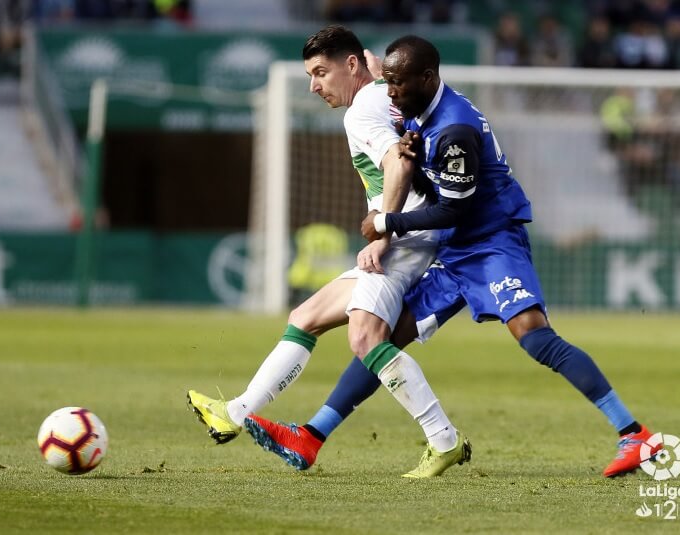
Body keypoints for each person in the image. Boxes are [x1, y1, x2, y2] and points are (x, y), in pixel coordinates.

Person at [249, 36, 660, 479]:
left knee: (535, 337)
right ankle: (311, 436)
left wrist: (386, 224)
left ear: (427, 79)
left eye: (398, 85)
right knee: (382, 340)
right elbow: (393, 94)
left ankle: (635, 433)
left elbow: (454, 209)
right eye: (387, 83)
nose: (391, 95)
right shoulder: (416, 103)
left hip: (489, 242)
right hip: (452, 247)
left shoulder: (455, 132)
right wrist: (375, 72)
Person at [187, 25, 471, 479]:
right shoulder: (384, 91)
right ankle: (237, 412)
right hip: (421, 233)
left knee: (365, 339)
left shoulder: (361, 112)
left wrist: (383, 233)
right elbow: (382, 81)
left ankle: (443, 438)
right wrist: (375, 68)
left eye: (320, 72)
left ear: (351, 65)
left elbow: (398, 161)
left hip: (405, 241)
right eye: (309, 75)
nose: (314, 85)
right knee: (307, 316)